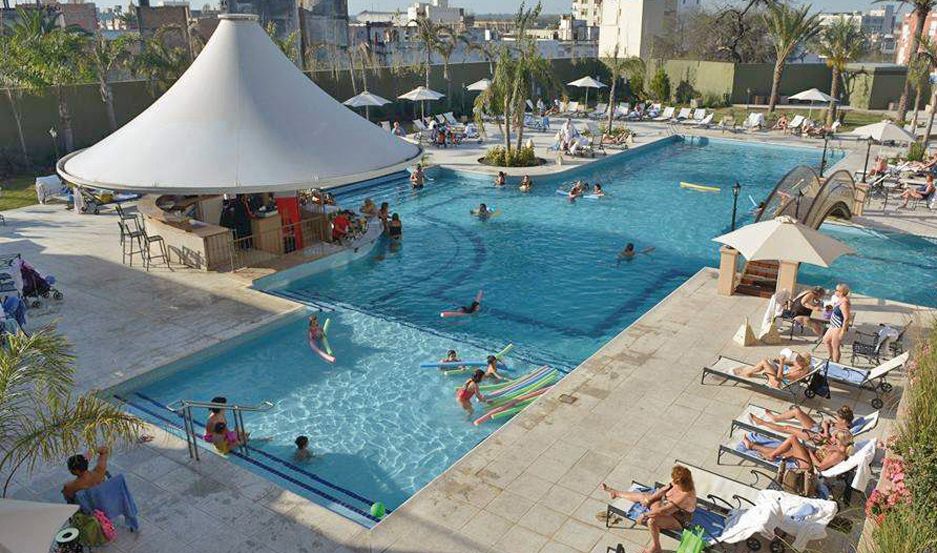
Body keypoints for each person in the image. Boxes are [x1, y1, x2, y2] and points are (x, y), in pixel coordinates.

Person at [601, 465, 697, 553]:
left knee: (652, 521)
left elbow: (663, 511)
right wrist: (649, 500)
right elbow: (663, 490)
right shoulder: (677, 482)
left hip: (679, 520)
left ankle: (656, 546)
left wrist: (644, 515)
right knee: (644, 497)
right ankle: (615, 492)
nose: (673, 482)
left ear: (682, 482)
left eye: (676, 481)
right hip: (665, 506)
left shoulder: (685, 496)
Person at [741, 429, 854, 472]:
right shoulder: (838, 448)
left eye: (835, 436)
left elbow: (820, 467)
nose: (832, 437)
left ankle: (769, 455)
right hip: (809, 459)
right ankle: (751, 446)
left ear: (839, 440)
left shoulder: (838, 455)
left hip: (808, 466)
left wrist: (810, 452)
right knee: (783, 451)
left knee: (793, 438)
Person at [749, 405, 854, 444]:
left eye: (838, 418)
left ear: (844, 421)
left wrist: (826, 431)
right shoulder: (841, 424)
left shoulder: (843, 433)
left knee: (787, 428)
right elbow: (826, 421)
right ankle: (775, 418)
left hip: (814, 436)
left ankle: (761, 422)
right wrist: (826, 428)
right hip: (817, 428)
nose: (836, 419)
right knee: (797, 411)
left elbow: (827, 440)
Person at [734, 350, 813, 389]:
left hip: (778, 383)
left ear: (802, 362)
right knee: (768, 361)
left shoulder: (799, 372)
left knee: (764, 362)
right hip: (780, 374)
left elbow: (779, 378)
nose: (795, 360)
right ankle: (749, 372)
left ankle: (746, 373)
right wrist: (778, 360)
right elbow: (791, 362)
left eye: (797, 359)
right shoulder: (802, 365)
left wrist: (781, 362)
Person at [822, 283, 851, 363]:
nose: (835, 291)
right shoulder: (840, 299)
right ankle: (831, 359)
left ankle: (835, 363)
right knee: (826, 340)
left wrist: (842, 332)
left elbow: (847, 318)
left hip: (838, 326)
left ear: (841, 292)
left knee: (835, 346)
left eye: (836, 290)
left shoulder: (844, 303)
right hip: (833, 325)